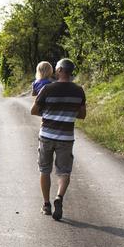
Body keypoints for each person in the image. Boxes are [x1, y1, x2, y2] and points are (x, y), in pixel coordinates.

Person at [30, 58, 87, 221]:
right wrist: (67, 112)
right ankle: (59, 197)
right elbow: (82, 115)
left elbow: (34, 110)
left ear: (61, 70)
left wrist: (49, 112)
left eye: (56, 68)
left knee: (45, 170)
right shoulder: (79, 91)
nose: (55, 70)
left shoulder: (47, 89)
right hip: (66, 137)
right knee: (64, 171)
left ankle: (46, 204)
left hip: (47, 135)